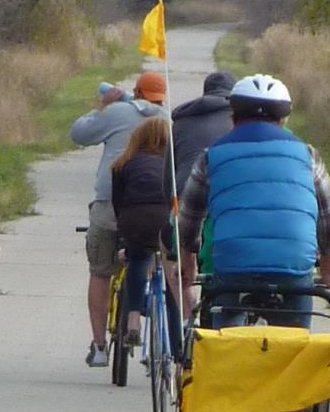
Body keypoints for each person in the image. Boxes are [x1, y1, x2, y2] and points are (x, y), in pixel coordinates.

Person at [176, 73, 330, 327]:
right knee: (294, 344)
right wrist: (328, 263)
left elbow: (190, 217)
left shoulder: (211, 156)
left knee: (224, 342)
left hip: (233, 264)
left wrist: (188, 262)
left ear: (233, 118)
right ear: (284, 119)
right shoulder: (307, 155)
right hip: (293, 262)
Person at [68, 70, 167, 366]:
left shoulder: (118, 111)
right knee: (148, 259)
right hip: (153, 207)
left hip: (110, 203)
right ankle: (151, 331)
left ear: (135, 92)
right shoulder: (166, 119)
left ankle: (99, 347)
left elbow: (79, 134)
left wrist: (102, 105)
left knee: (100, 270)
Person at [109, 116, 181, 350]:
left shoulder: (124, 164)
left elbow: (118, 205)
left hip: (135, 219)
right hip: (166, 218)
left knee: (138, 258)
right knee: (172, 273)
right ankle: (176, 339)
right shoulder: (175, 165)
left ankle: (133, 319)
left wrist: (124, 242)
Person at [170, 70, 236, 189]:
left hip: (185, 190)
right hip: (226, 191)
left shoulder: (181, 121)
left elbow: (169, 178)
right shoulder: (241, 119)